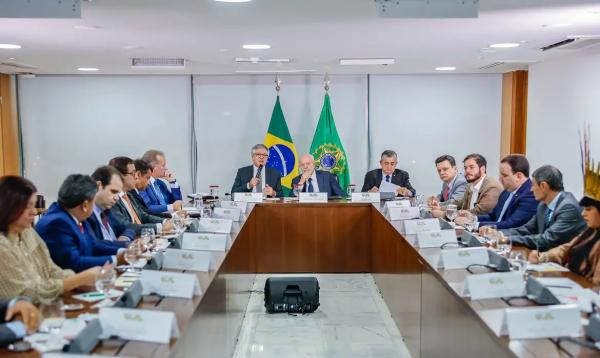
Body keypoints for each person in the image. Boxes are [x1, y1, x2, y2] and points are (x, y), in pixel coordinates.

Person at [0, 176, 102, 302]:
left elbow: (51, 269)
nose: (34, 212)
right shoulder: (2, 246)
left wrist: (80, 280)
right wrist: (75, 281)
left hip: (47, 304)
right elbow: (27, 293)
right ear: (8, 207)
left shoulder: (28, 231)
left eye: (34, 205)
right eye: (28, 206)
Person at [36, 174, 126, 272]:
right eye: (93, 202)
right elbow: (74, 263)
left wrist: (124, 251)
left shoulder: (76, 216)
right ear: (85, 205)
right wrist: (116, 259)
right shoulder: (56, 224)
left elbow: (93, 245)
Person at [501, 165, 587, 251]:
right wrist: (500, 234)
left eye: (533, 185)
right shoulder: (543, 205)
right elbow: (527, 229)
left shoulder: (569, 208)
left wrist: (508, 239)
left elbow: (547, 239)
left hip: (566, 261)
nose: (531, 190)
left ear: (543, 186)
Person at [456, 154, 537, 230]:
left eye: (504, 175)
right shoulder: (506, 192)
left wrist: (474, 225)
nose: (500, 179)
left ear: (518, 176)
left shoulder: (530, 195)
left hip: (510, 242)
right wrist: (473, 218)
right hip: (493, 236)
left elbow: (511, 224)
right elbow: (493, 216)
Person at [108, 157, 174, 233]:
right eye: (132, 173)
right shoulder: (112, 200)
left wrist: (165, 221)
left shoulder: (128, 195)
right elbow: (126, 226)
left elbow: (143, 215)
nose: (136, 177)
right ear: (119, 176)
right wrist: (159, 228)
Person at [431, 153, 501, 217]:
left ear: (482, 169)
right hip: (467, 226)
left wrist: (444, 214)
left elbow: (478, 212)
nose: (467, 171)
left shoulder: (491, 187)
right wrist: (440, 207)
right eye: (465, 168)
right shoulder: (470, 185)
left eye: (471, 167)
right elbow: (459, 204)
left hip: (485, 228)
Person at [86, 166, 135, 243]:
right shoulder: (85, 214)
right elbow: (96, 248)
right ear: (99, 186)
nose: (116, 198)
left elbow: (129, 227)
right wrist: (122, 246)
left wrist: (125, 238)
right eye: (113, 192)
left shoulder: (106, 209)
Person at [140, 150, 184, 215]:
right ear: (153, 167)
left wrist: (173, 183)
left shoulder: (160, 183)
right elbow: (147, 207)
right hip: (156, 221)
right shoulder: (142, 184)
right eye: (163, 165)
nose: (166, 168)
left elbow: (177, 203)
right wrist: (171, 207)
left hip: (170, 217)